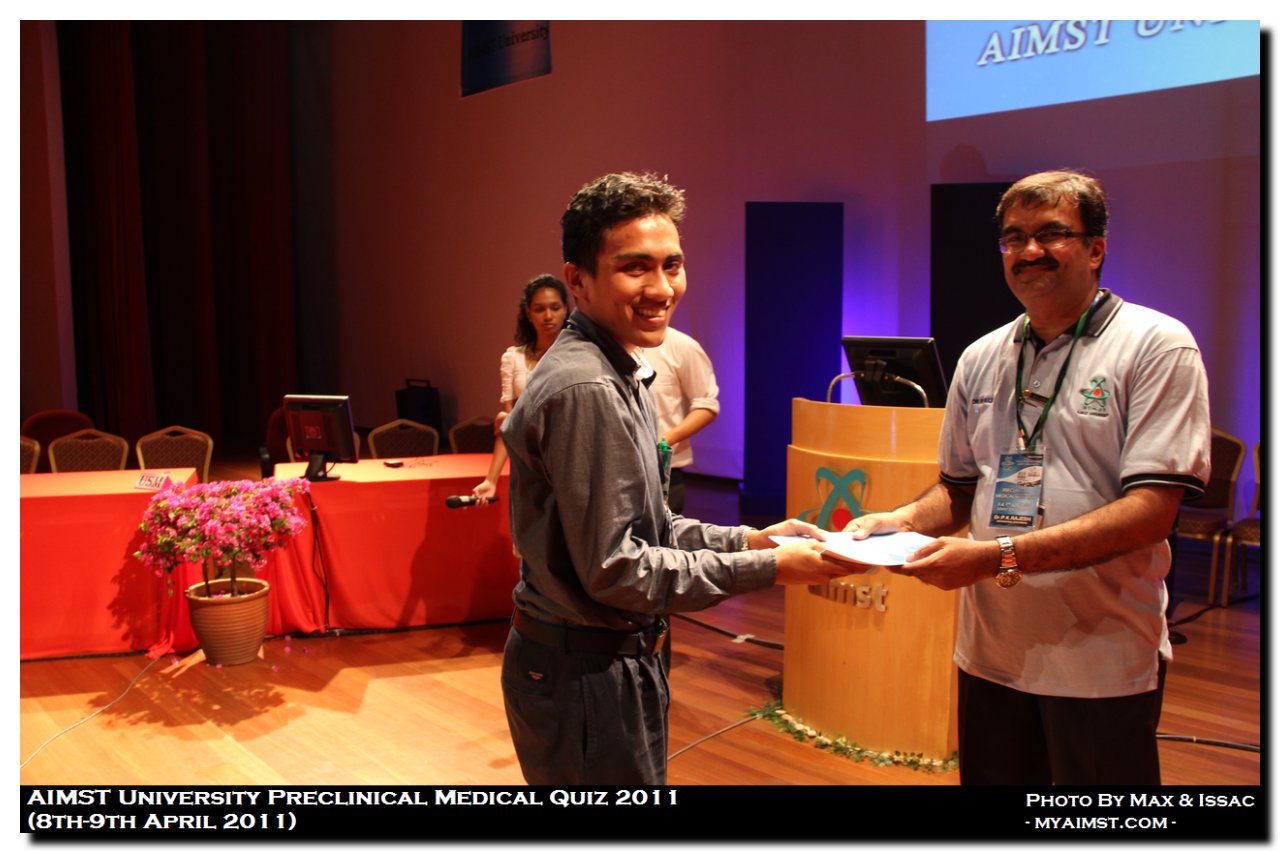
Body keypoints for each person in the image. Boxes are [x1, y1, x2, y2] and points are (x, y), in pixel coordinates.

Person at [845, 169, 1211, 785]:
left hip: (1102, 656)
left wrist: (998, 557)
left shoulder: (1156, 345)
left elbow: (1152, 511)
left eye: (1051, 234)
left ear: (1095, 249)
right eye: (1014, 238)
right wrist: (900, 522)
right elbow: (961, 487)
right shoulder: (981, 355)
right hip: (991, 652)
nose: (1029, 251)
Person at [499, 172, 847, 785]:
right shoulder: (588, 386)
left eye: (672, 265)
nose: (662, 289)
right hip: (584, 676)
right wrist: (769, 568)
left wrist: (752, 539)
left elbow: (650, 527)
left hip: (606, 666)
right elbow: (618, 570)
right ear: (578, 279)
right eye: (635, 268)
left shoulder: (619, 366)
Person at [470, 274, 569, 505]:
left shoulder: (580, 355)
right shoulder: (513, 358)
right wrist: (491, 479)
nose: (548, 316)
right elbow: (509, 425)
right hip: (529, 465)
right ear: (528, 313)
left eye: (555, 308)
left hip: (567, 460)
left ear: (565, 309)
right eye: (540, 309)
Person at [644, 326, 719, 514]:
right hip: (610, 468)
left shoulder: (682, 345)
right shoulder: (602, 342)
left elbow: (707, 404)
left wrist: (665, 440)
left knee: (663, 529)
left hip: (663, 469)